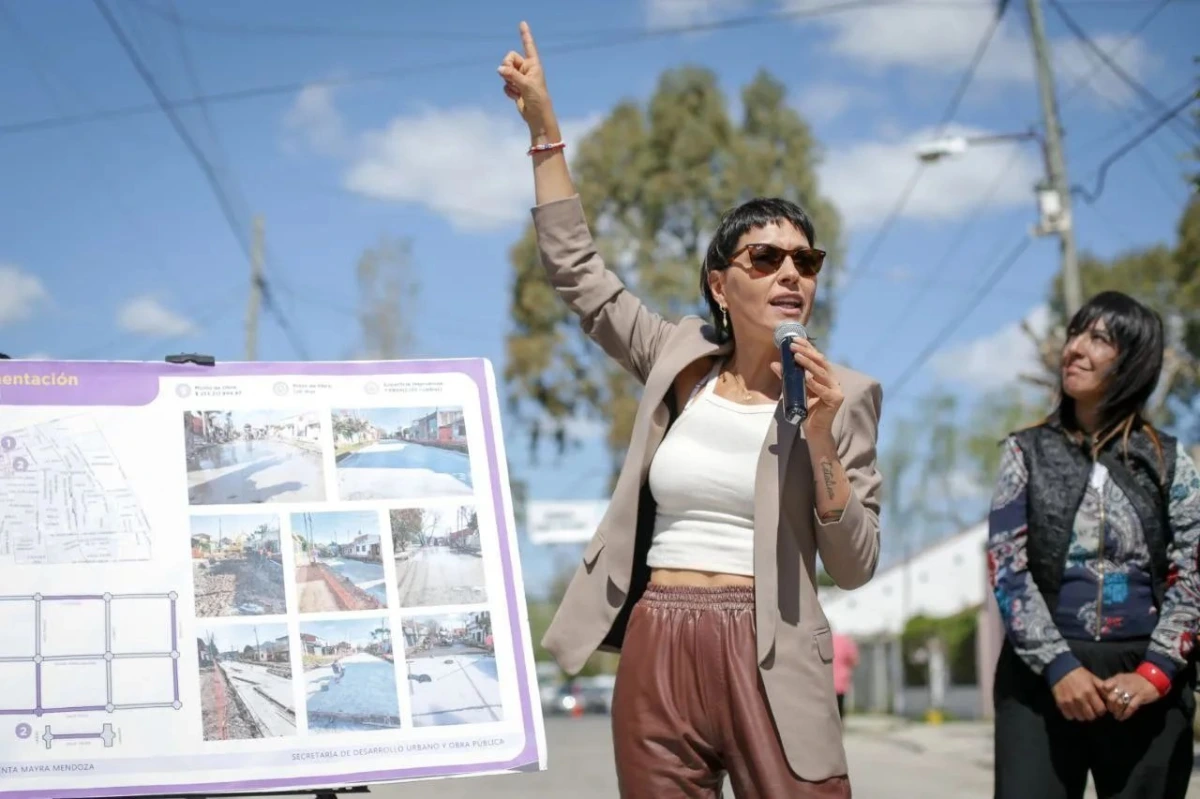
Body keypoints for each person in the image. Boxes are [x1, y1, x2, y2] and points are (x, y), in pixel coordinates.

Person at [498, 22, 882, 798]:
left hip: (769, 645)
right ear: (719, 284)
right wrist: (545, 133)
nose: (790, 274)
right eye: (765, 258)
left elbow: (854, 564)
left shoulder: (845, 394)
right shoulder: (678, 360)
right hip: (659, 637)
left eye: (806, 261)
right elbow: (580, 275)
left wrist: (820, 440)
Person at [987, 290, 1200, 799]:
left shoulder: (1170, 461)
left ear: (1133, 362)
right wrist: (1060, 668)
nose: (1074, 349)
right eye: (1074, 334)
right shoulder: (1024, 453)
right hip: (1040, 681)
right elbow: (1007, 569)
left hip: (1148, 685)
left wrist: (1156, 673)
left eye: (1098, 339)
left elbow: (1193, 572)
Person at [831, 630, 859, 718]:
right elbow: (854, 660)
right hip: (840, 681)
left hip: (825, 680)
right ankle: (838, 727)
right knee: (839, 706)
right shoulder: (846, 642)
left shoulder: (824, 639)